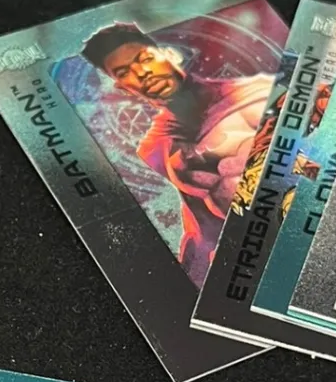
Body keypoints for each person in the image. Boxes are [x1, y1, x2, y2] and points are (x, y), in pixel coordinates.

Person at [79, 21, 275, 288]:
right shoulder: (154, 151)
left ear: (170, 54)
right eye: (125, 72)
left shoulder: (258, 91)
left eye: (145, 59)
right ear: (123, 87)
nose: (142, 73)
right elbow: (200, 228)